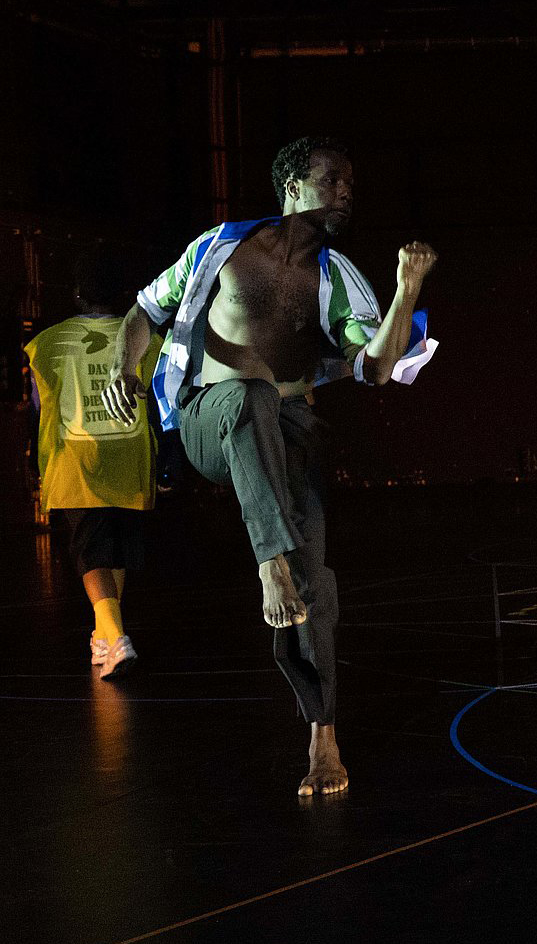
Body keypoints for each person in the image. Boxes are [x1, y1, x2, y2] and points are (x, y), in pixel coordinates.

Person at [102, 137, 439, 798]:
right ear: (290, 186)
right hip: (210, 421)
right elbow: (145, 310)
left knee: (315, 583)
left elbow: (373, 366)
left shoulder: (337, 276)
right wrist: (124, 367)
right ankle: (269, 564)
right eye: (332, 177)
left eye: (350, 179)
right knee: (247, 395)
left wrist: (405, 293)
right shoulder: (217, 248)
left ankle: (322, 734)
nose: (346, 188)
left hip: (287, 436)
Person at [27, 250, 163, 679]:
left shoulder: (47, 342)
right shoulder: (145, 337)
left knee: (91, 554)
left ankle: (117, 639)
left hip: (79, 458)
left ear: (77, 294)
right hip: (129, 453)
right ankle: (105, 635)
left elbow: (37, 401)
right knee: (116, 549)